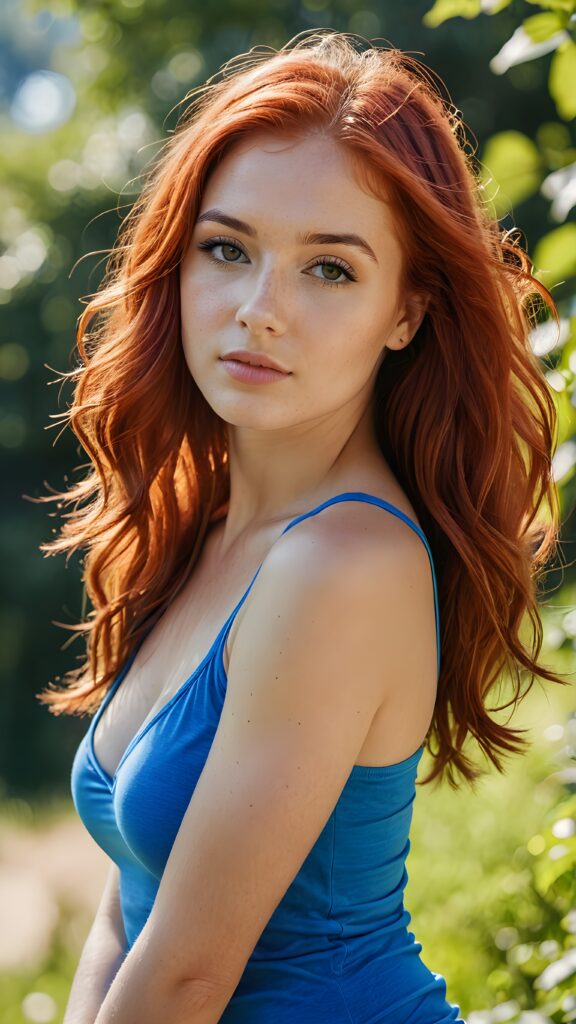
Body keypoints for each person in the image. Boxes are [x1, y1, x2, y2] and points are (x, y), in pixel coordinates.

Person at [37, 28, 567, 1024]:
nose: (257, 309)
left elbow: (191, 974)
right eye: (227, 249)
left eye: (330, 270)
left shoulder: (343, 561)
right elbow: (128, 911)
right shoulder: (215, 530)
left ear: (406, 309)